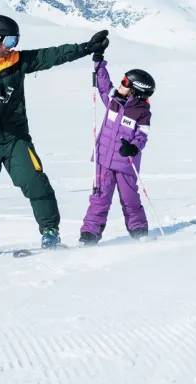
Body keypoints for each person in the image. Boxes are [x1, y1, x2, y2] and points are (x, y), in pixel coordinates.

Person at [0, 14, 110, 258]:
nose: (12, 47)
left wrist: (86, 48)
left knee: (35, 181)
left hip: (15, 138)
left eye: (16, 41)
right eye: (9, 41)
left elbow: (52, 55)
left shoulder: (16, 60)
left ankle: (50, 232)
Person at [79, 49, 155, 245]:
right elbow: (103, 86)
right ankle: (90, 233)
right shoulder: (113, 101)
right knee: (99, 198)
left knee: (129, 199)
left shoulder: (142, 112)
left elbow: (142, 136)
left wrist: (133, 148)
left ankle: (138, 229)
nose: (121, 84)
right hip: (104, 161)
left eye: (126, 83)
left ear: (135, 90)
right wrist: (99, 63)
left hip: (125, 164)